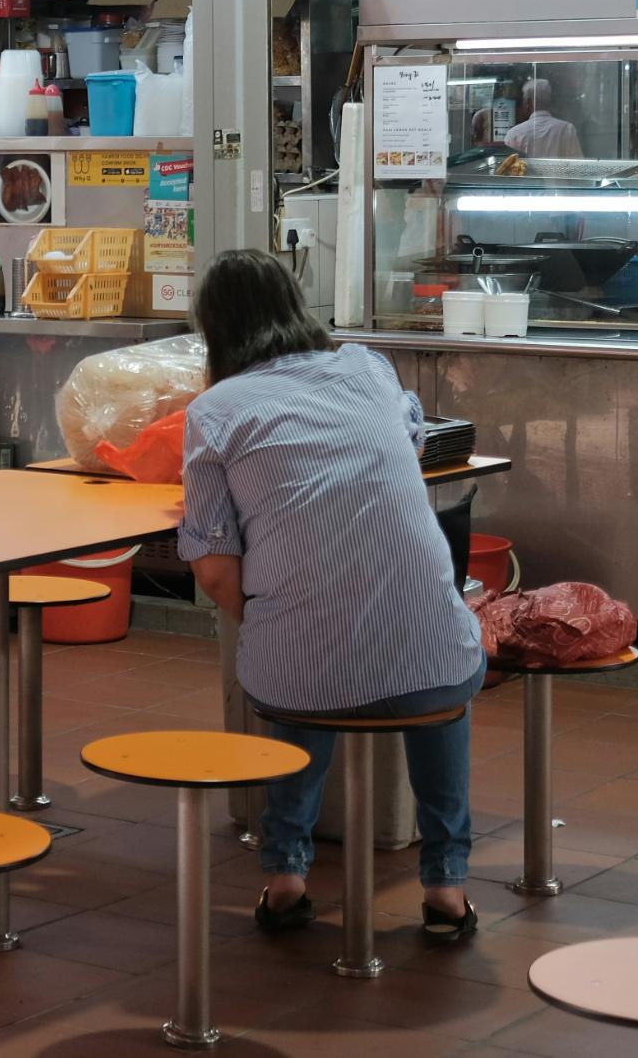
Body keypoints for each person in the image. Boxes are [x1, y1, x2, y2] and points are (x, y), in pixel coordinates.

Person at [179, 250, 486, 943]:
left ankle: (285, 876)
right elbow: (402, 455)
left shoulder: (212, 412)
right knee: (437, 667)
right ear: (295, 303)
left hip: (296, 679)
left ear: (215, 331)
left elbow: (212, 565)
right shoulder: (366, 367)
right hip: (436, 662)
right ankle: (446, 887)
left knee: (296, 645)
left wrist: (284, 611)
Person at [501, 77, 581, 158]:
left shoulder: (514, 134)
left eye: (523, 100)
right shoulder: (566, 129)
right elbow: (578, 164)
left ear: (528, 103)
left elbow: (508, 167)